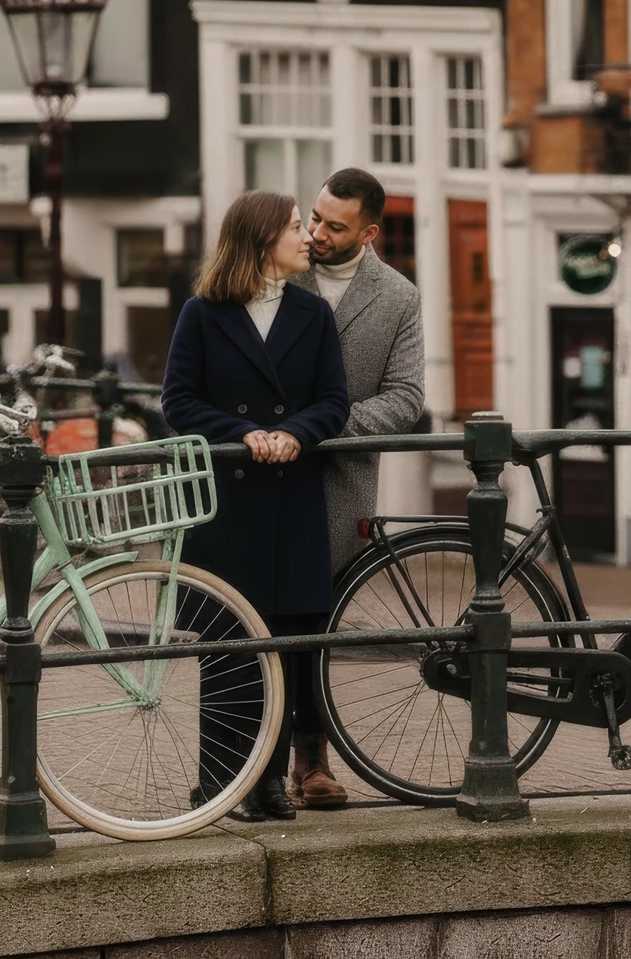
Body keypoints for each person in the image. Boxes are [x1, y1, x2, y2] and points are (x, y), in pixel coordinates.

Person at [161, 188, 350, 820]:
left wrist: (294, 433)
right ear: (262, 239)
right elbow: (179, 401)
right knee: (230, 649)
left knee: (290, 646)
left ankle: (269, 783)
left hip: (293, 498)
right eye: (296, 227)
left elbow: (334, 401)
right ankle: (221, 787)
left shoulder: (313, 312)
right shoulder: (203, 312)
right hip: (232, 503)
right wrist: (245, 434)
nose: (308, 237)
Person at [287, 166, 426, 808]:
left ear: (368, 232)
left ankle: (311, 762)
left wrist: (325, 425)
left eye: (334, 226)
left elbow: (406, 399)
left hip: (338, 480)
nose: (316, 232)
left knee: (317, 622)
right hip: (264, 467)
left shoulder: (399, 298)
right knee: (259, 619)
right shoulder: (281, 269)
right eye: (315, 217)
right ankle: (253, 766)